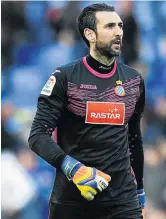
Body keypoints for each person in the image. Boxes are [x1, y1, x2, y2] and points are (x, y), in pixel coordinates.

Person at [28, 3, 145, 219]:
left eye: (119, 25)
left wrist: (140, 188)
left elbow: (134, 138)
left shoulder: (133, 80)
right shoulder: (65, 78)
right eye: (109, 26)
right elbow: (37, 136)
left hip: (122, 200)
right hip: (72, 202)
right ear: (90, 34)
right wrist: (74, 168)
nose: (118, 31)